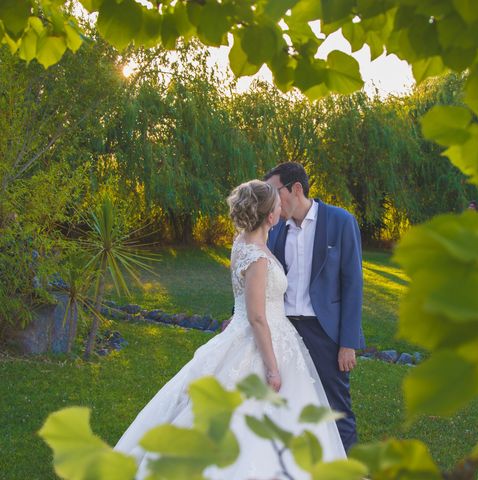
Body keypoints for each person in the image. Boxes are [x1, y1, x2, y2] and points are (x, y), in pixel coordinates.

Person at [114, 180, 345, 478]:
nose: (280, 208)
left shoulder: (242, 244)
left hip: (246, 335)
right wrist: (273, 369)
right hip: (261, 340)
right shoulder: (258, 257)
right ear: (269, 215)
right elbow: (257, 317)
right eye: (276, 205)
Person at [264, 162, 365, 453]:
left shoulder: (340, 221)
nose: (271, 201)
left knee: (337, 408)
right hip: (284, 329)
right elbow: (261, 278)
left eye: (274, 192)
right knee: (290, 401)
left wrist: (347, 343)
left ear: (296, 189)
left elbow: (353, 285)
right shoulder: (274, 229)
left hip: (325, 331)